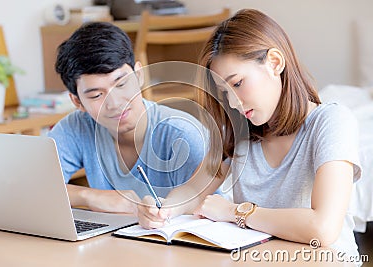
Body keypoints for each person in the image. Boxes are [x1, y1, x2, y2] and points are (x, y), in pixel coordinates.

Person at [137, 9, 362, 263]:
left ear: (274, 63)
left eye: (237, 83)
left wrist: (235, 212)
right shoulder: (237, 131)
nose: (232, 102)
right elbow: (195, 192)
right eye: (223, 92)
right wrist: (163, 209)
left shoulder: (331, 122)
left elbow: (322, 228)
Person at [48, 22, 208, 215]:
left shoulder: (183, 134)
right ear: (77, 101)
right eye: (96, 95)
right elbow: (32, 186)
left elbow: (210, 211)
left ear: (139, 75)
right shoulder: (76, 127)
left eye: (122, 84)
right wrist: (90, 196)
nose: (114, 103)